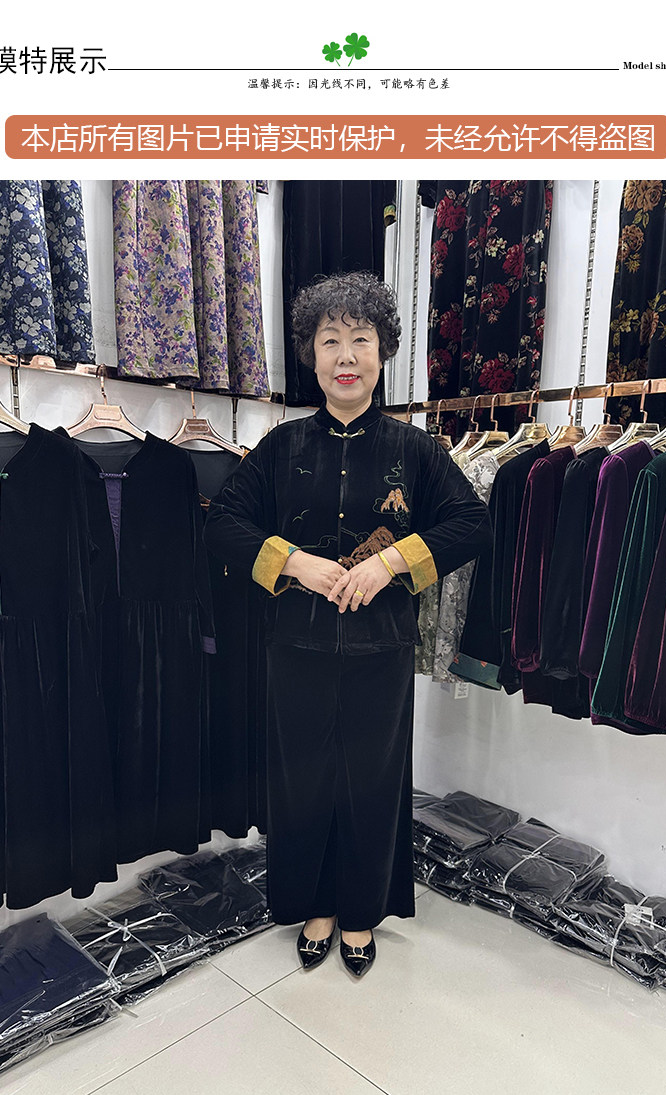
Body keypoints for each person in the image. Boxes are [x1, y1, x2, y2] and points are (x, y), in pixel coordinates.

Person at [203, 271, 492, 977]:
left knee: (370, 781)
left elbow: (471, 522)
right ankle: (315, 904)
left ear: (382, 352)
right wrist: (294, 562)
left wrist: (392, 561)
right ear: (311, 354)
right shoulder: (281, 448)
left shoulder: (415, 451)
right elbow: (223, 525)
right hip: (295, 646)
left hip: (380, 648)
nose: (345, 356)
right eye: (330, 340)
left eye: (360, 339)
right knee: (302, 780)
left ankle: (361, 909)